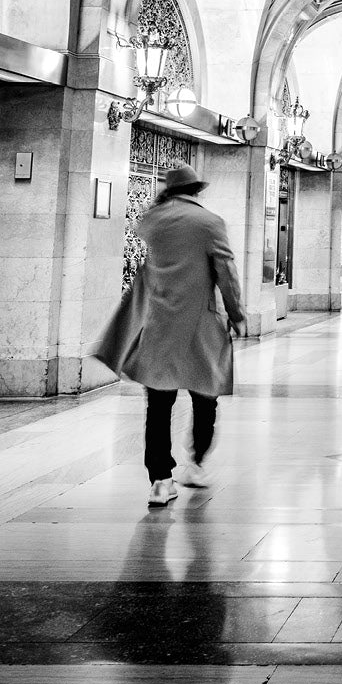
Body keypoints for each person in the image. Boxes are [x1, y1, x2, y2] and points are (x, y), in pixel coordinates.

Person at [89, 163, 247, 507]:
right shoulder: (210, 223)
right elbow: (226, 273)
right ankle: (196, 463)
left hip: (159, 325)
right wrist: (237, 315)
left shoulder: (153, 220)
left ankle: (160, 480)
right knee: (206, 398)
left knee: (158, 407)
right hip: (201, 327)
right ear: (195, 190)